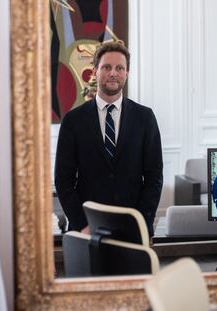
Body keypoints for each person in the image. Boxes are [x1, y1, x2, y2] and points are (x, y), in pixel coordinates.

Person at [55, 42, 163, 236]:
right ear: (95, 71)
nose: (113, 73)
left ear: (127, 73)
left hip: (134, 229)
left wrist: (141, 224)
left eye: (119, 68)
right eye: (107, 67)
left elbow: (154, 178)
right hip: (88, 230)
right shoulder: (73, 121)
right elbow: (63, 181)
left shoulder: (145, 118)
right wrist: (82, 225)